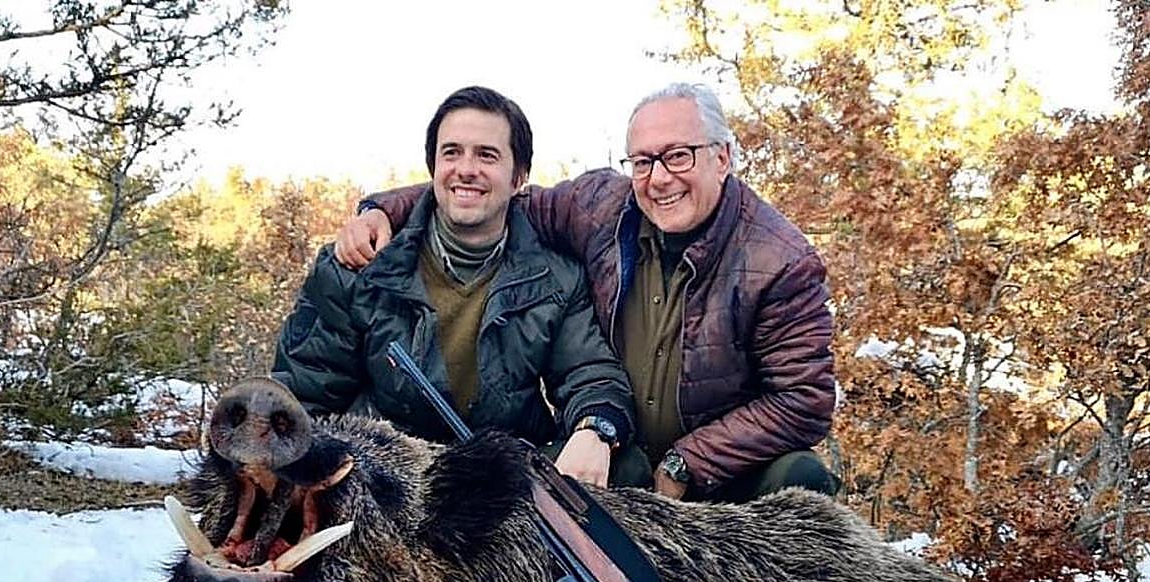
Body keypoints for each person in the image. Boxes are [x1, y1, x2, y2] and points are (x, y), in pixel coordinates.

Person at [336, 83, 838, 503]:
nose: (659, 179)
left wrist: (689, 463)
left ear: (722, 157)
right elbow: (484, 197)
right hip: (622, 453)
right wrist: (384, 210)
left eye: (678, 157)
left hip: (723, 469)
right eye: (643, 162)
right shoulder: (602, 207)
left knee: (801, 481)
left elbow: (804, 399)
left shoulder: (780, 262)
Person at [273, 86, 647, 489]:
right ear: (434, 166)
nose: (466, 169)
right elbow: (304, 397)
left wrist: (595, 430)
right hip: (383, 480)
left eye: (487, 155)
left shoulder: (557, 278)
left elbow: (589, 373)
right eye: (451, 152)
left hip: (500, 478)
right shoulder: (357, 264)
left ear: (518, 177)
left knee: (626, 465)